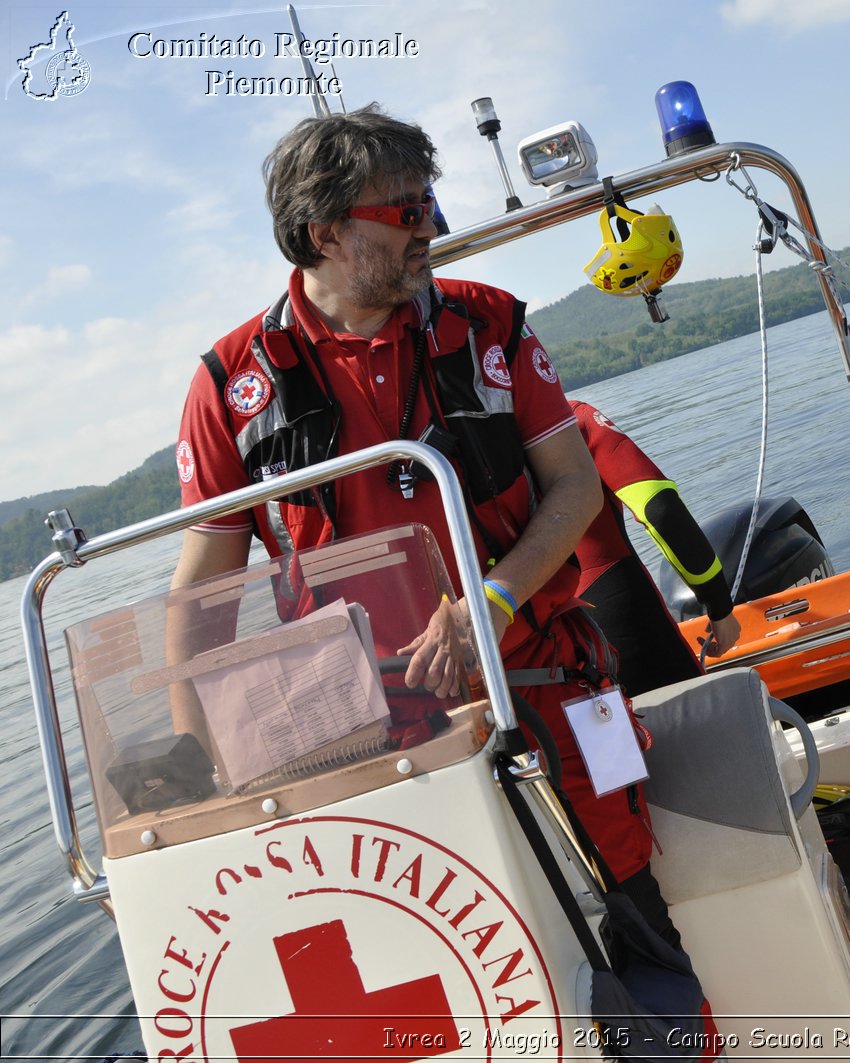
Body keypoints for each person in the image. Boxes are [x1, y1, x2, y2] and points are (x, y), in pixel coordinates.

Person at [169, 104, 673, 939]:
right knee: (450, 963)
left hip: (553, 694)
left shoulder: (493, 324)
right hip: (370, 746)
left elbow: (577, 487)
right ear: (324, 232)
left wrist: (491, 601)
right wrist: (194, 776)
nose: (428, 229)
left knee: (641, 923)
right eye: (405, 213)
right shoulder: (228, 384)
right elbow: (203, 601)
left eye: (429, 206)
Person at [570, 399, 740, 697]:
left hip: (536, 657)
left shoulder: (463, 463)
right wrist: (719, 606)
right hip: (620, 622)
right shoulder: (571, 421)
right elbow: (659, 509)